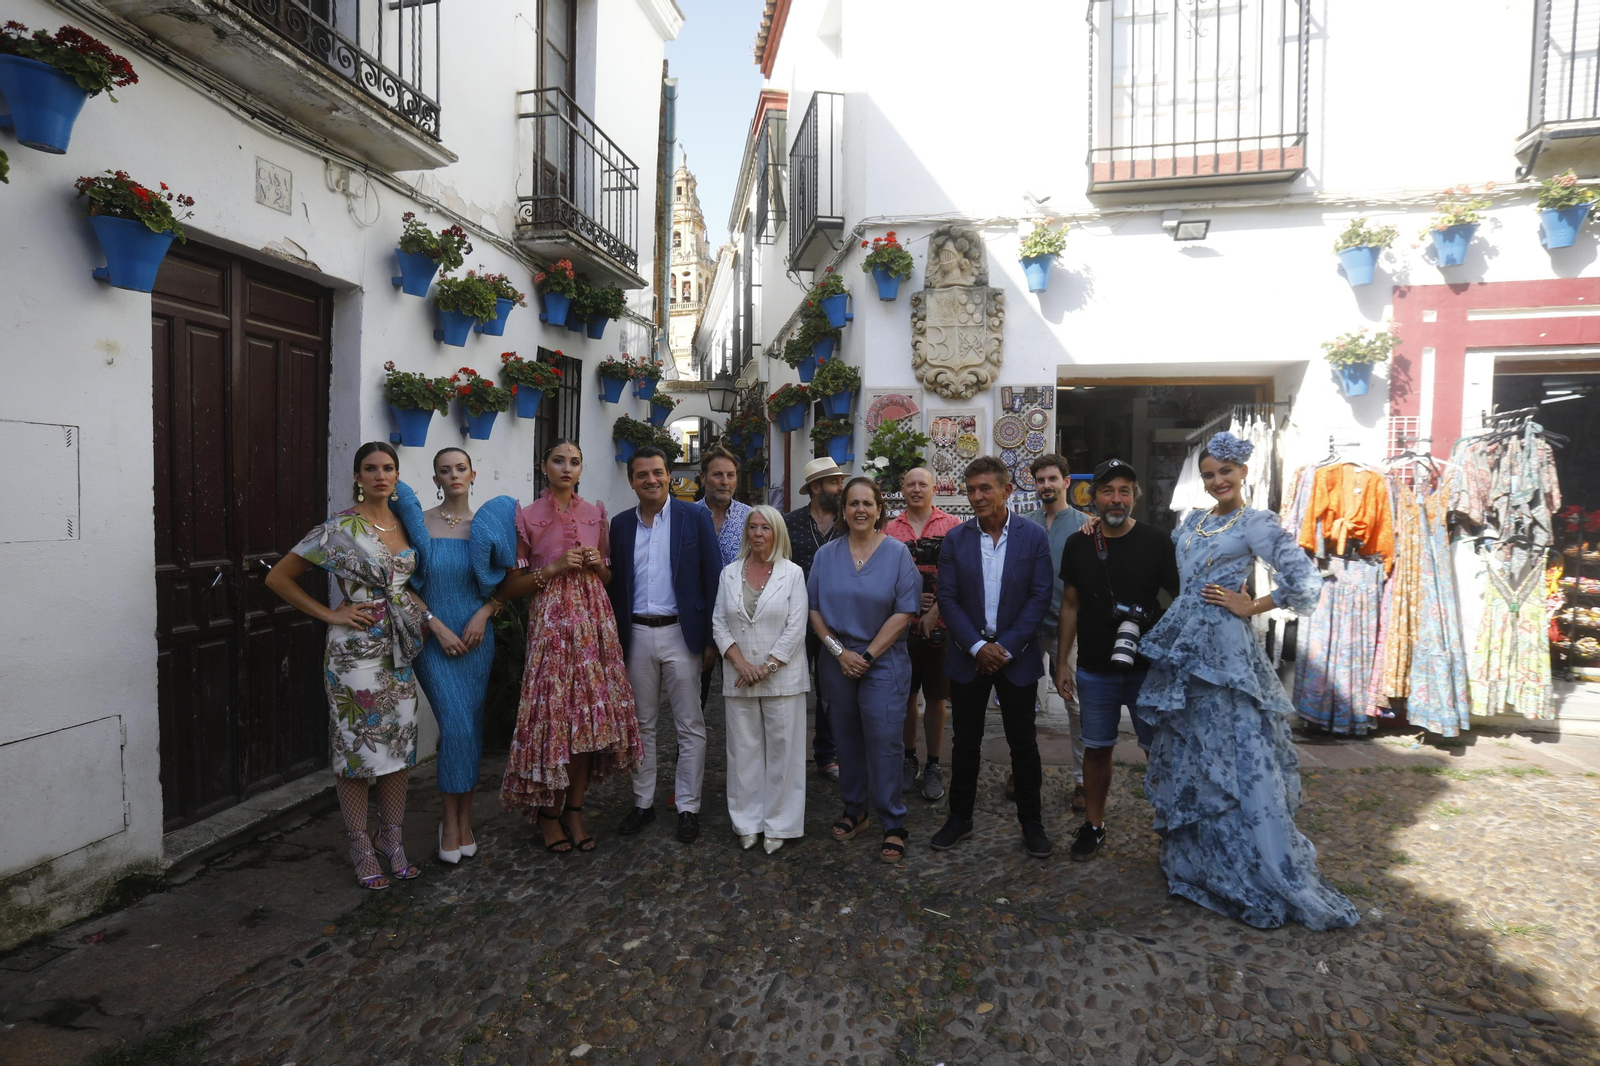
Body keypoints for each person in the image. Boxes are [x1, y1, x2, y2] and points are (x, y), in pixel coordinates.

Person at [1138, 433, 1358, 930]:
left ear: (1243, 473)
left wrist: (1252, 604)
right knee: (1195, 751)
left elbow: (1304, 580)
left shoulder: (1258, 523)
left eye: (1226, 472)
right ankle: (1203, 860)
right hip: (1184, 646)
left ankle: (1259, 867)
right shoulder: (1191, 522)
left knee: (1238, 754)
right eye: (1210, 473)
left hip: (1224, 651)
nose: (1218, 481)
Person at [265, 442, 463, 889]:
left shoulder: (406, 526)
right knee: (357, 750)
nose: (380, 475)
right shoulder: (340, 528)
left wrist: (432, 622)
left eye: (388, 468)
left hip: (398, 652)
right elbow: (277, 577)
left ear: (397, 475)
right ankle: (359, 843)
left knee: (397, 748)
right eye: (370, 468)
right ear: (357, 476)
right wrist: (331, 613)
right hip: (353, 655)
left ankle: (390, 839)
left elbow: (402, 588)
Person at [495, 440, 640, 854]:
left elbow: (608, 579)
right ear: (544, 466)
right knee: (554, 719)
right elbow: (510, 588)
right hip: (552, 630)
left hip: (595, 629)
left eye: (574, 462)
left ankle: (575, 810)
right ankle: (548, 815)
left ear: (581, 469)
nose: (566, 468)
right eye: (558, 460)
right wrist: (554, 567)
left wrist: (596, 564)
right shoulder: (526, 516)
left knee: (587, 724)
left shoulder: (595, 514)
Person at [390, 448, 519, 863]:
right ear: (436, 480)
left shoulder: (490, 525)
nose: (454, 475)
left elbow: (507, 582)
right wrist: (435, 624)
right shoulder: (419, 524)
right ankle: (448, 820)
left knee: (471, 729)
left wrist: (484, 614)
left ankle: (464, 821)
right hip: (435, 643)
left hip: (477, 642)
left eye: (460, 468)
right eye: (445, 471)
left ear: (472, 473)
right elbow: (402, 585)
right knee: (457, 726)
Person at [929, 457, 1056, 858]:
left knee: (1024, 745)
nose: (978, 496)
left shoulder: (1033, 537)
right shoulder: (956, 538)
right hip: (969, 656)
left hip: (1015, 657)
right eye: (972, 490)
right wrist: (977, 647)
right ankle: (959, 817)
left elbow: (1040, 596)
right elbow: (946, 597)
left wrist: (1006, 647)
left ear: (1007, 491)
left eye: (986, 488)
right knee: (966, 742)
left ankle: (1031, 823)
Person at [1055, 459, 1181, 861]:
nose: (1116, 499)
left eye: (1124, 491)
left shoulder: (1158, 542)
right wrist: (1062, 663)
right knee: (1096, 748)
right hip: (1094, 667)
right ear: (1093, 499)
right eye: (1108, 491)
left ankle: (1170, 828)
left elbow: (1181, 599)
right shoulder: (1079, 543)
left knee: (1155, 749)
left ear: (1135, 497)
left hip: (1148, 669)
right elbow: (1070, 606)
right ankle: (1093, 824)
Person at [609, 445, 722, 843]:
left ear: (669, 476)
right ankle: (643, 802)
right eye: (642, 475)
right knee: (641, 724)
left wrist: (709, 638)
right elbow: (618, 586)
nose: (651, 480)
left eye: (658, 472)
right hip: (637, 634)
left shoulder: (694, 517)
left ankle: (688, 806)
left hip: (682, 633)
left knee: (690, 725)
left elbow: (713, 578)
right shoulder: (620, 525)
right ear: (631, 481)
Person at [807, 477, 921, 864]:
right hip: (836, 659)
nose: (859, 510)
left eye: (867, 504)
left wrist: (867, 656)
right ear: (842, 511)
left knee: (884, 739)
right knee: (846, 737)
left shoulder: (897, 554)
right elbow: (814, 610)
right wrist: (839, 652)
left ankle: (893, 822)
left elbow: (905, 610)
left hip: (883, 660)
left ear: (878, 510)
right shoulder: (826, 555)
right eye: (852, 503)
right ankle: (855, 810)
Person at [712, 506, 810, 854]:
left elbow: (796, 628)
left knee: (784, 753)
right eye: (752, 527)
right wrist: (741, 665)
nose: (757, 533)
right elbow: (719, 624)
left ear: (777, 533)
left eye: (765, 528)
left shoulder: (793, 573)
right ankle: (747, 822)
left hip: (782, 679)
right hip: (739, 677)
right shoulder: (728, 573)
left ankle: (780, 824)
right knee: (743, 752)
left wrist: (765, 668)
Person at [882, 466, 961, 801]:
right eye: (910, 484)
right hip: (902, 628)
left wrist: (935, 607)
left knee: (937, 698)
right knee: (906, 698)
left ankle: (933, 763)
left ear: (934, 489)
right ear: (902, 488)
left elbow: (959, 576)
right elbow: (883, 580)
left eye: (922, 484)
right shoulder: (888, 530)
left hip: (942, 625)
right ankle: (909, 758)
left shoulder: (953, 527)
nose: (916, 489)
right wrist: (913, 603)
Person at [1021, 454, 1089, 812]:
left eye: (1052, 478)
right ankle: (1024, 772)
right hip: (1028, 630)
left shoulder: (1085, 525)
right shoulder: (1023, 524)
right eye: (1040, 480)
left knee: (1077, 708)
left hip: (1071, 631)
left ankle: (1082, 781)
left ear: (1066, 481)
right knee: (1022, 706)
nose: (1046, 485)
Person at [785, 457, 848, 782]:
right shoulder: (789, 523)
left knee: (831, 691)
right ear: (815, 488)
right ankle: (791, 754)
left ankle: (826, 755)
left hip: (836, 621)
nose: (840, 488)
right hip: (795, 621)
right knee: (793, 689)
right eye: (834, 483)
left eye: (840, 482)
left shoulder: (848, 522)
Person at [697, 447, 752, 708]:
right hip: (699, 617)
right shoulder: (687, 516)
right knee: (695, 696)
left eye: (731, 475)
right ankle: (686, 749)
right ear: (703, 478)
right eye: (718, 475)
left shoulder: (751, 518)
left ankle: (743, 749)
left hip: (738, 618)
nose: (725, 481)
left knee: (743, 694)